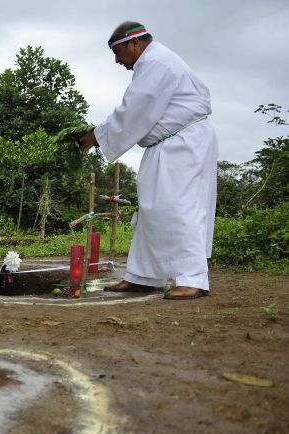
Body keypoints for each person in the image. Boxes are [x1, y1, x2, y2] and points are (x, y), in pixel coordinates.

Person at [79, 22, 217, 300]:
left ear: (136, 44)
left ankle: (193, 278)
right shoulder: (153, 62)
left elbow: (135, 109)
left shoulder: (157, 62)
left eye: (118, 52)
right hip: (166, 146)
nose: (117, 60)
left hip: (184, 145)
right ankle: (143, 276)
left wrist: (98, 134)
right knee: (153, 211)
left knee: (181, 207)